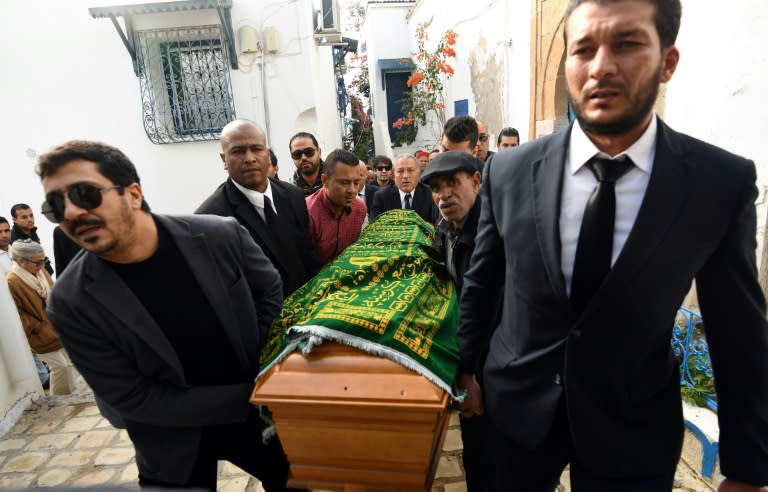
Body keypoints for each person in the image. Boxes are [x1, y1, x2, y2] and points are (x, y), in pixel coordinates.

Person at [457, 1, 768, 491]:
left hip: (633, 424)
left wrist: (748, 467)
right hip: (515, 411)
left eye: (627, 44)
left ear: (668, 61)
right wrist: (465, 370)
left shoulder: (718, 184)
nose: (601, 66)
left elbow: (740, 331)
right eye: (583, 48)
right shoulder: (510, 171)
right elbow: (483, 279)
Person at [36, 140, 300, 491]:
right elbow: (132, 399)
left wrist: (265, 363)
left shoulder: (221, 235)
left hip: (260, 422)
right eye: (55, 205)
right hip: (170, 437)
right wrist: (251, 394)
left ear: (132, 194)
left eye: (85, 194)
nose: (69, 213)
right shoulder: (69, 302)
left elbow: (269, 289)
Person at [420, 151, 495, 492]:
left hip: (490, 366)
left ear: (476, 182)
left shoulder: (491, 233)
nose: (444, 195)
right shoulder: (446, 228)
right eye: (436, 188)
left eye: (453, 183)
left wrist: (469, 375)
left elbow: (484, 311)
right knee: (477, 451)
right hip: (469, 359)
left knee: (492, 453)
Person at [197, 120, 321, 297]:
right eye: (238, 151)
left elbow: (308, 256)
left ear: (268, 155)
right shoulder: (211, 218)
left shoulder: (293, 195)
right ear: (224, 159)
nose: (249, 158)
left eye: (256, 149)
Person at [7, 239, 77, 395]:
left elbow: (54, 293)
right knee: (60, 366)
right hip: (39, 334)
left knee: (70, 365)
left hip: (56, 326)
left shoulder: (41, 272)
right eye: (37, 262)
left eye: (43, 260)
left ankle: (69, 396)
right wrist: (37, 326)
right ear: (21, 261)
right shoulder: (13, 281)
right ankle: (59, 399)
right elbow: (17, 313)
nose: (42, 265)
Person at [306, 149, 367, 265]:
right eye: (344, 183)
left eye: (356, 182)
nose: (352, 190)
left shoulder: (360, 209)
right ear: (325, 180)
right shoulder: (308, 213)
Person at [371, 155, 439, 224]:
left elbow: (437, 224)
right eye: (400, 171)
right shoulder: (381, 196)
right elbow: (376, 227)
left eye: (410, 170)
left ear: (418, 173)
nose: (405, 176)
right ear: (393, 174)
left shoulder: (430, 193)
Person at [10, 203, 53, 274]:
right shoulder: (14, 240)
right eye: (24, 217)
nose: (30, 219)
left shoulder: (31, 231)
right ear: (14, 219)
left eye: (31, 215)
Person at [289, 131, 324, 196]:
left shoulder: (335, 179)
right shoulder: (289, 191)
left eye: (309, 152)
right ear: (292, 157)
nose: (304, 158)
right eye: (297, 154)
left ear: (319, 152)